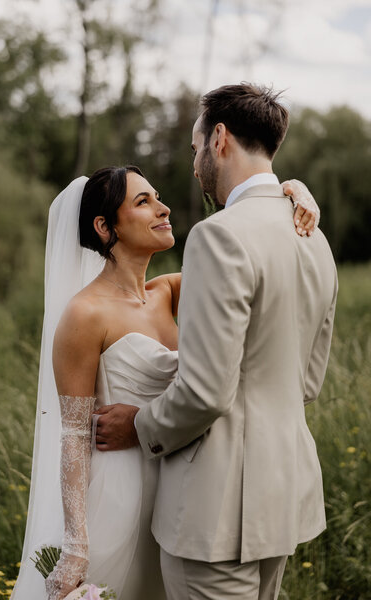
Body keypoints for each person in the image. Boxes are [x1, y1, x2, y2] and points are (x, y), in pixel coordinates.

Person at [11, 110, 319, 600]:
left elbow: (254, 258)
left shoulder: (171, 290)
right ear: (105, 226)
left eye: (158, 197)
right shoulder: (84, 315)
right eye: (143, 201)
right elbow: (72, 437)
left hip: (190, 486)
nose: (164, 208)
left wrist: (291, 191)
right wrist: (75, 544)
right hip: (121, 495)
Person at [95, 84, 338, 600]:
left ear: (219, 139)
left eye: (194, 147)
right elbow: (308, 382)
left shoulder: (218, 236)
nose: (194, 163)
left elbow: (206, 391)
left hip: (216, 510)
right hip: (283, 497)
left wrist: (139, 424)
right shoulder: (313, 236)